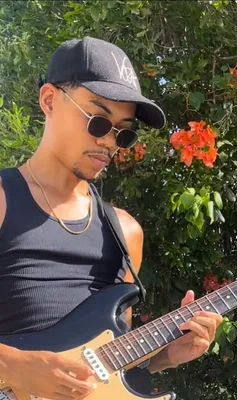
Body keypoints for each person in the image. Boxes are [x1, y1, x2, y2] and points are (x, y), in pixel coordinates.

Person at [0, 37, 222, 399]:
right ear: (50, 100)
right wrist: (12, 365)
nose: (109, 142)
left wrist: (165, 355)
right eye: (99, 121)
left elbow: (108, 364)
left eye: (124, 132)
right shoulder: (3, 199)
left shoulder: (125, 231)